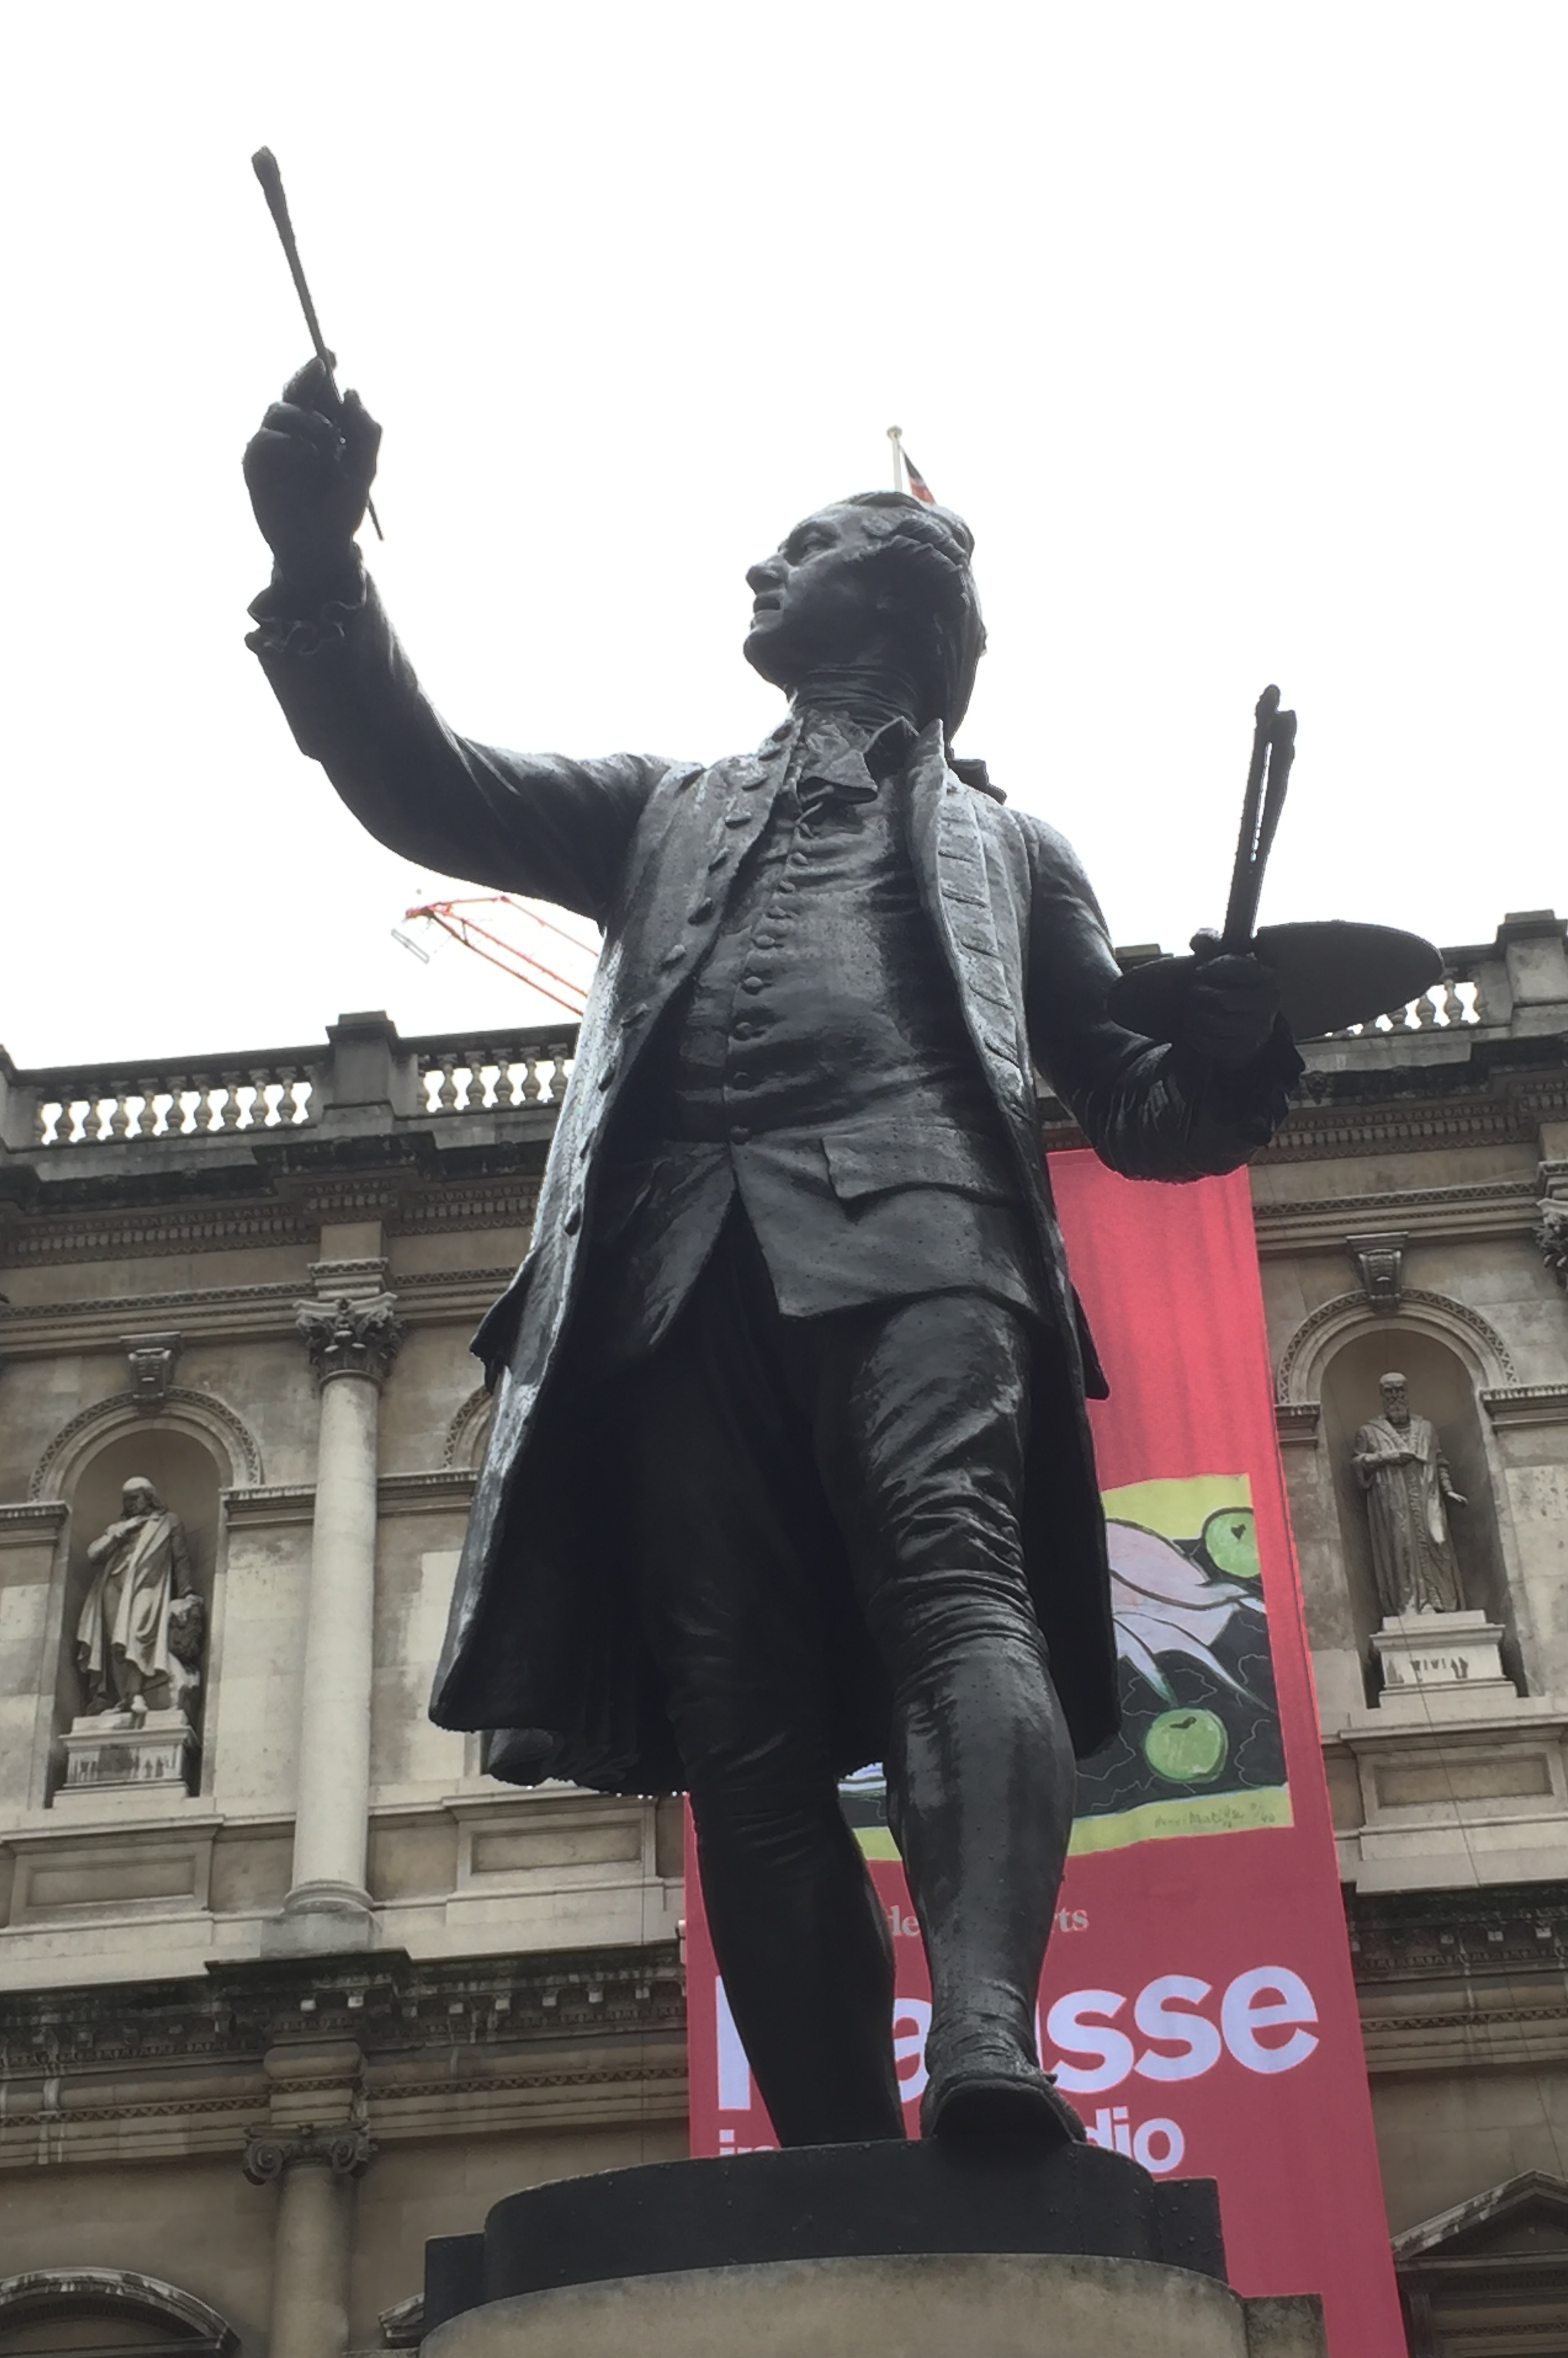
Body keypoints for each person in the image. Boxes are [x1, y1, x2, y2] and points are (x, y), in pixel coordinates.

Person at [243, 363, 1300, 2145]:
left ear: (886, 602)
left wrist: (1239, 1053)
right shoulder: (659, 806)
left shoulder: (1009, 846)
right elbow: (422, 782)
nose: (757, 571)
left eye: (797, 553)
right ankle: (830, 2150)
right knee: (734, 1720)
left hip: (923, 1228)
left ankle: (984, 2031)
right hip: (671, 1275)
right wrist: (313, 560)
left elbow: (1133, 1103)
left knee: (948, 1576)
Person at [75, 1476, 202, 1716]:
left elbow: (181, 1558)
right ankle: (124, 1697)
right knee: (116, 1643)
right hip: (113, 1585)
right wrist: (116, 1536)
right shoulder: (118, 1528)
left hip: (148, 1586)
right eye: (127, 1500)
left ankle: (135, 1694)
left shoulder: (167, 1522)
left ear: (149, 1497)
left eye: (135, 1498)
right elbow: (94, 1555)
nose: (131, 1503)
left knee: (137, 1635)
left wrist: (187, 1591)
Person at [1353, 1372, 1466, 1617]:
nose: (1395, 1396)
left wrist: (1448, 1490)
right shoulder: (1369, 1431)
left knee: (1439, 1541)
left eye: (1399, 1390)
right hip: (1394, 1500)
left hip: (1430, 1495)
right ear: (1382, 1395)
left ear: (1406, 1392)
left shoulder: (1426, 1428)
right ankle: (1414, 1605)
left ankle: (1444, 1603)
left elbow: (1439, 1460)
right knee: (1402, 1549)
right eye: (1389, 1391)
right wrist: (1388, 1458)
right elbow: (1358, 1462)